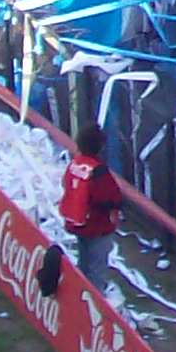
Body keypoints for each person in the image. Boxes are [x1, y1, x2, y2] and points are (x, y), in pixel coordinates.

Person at [58, 121, 125, 286]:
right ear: (100, 147)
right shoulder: (99, 171)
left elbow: (65, 183)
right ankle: (93, 298)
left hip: (77, 222)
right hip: (98, 226)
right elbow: (112, 197)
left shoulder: (74, 164)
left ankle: (79, 291)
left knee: (83, 261)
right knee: (97, 269)